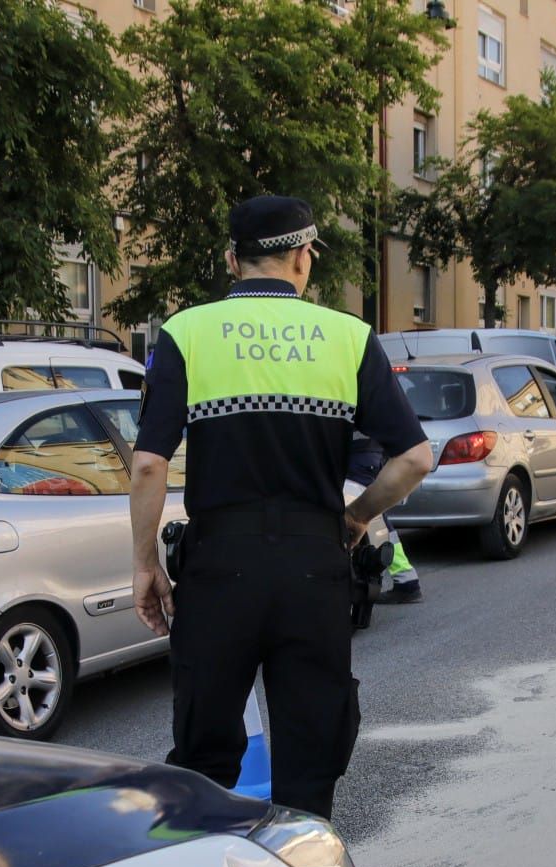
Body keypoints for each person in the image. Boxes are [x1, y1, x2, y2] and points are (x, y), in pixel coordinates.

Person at [128, 195, 434, 817]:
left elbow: (149, 464)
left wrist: (145, 565)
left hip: (218, 570)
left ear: (231, 260)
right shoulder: (349, 337)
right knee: (309, 760)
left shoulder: (187, 331)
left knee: (203, 760)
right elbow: (414, 459)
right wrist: (354, 517)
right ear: (302, 257)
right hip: (313, 569)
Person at [350, 431, 422, 603]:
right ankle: (406, 579)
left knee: (373, 519)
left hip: (357, 455)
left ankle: (406, 580)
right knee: (377, 519)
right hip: (368, 454)